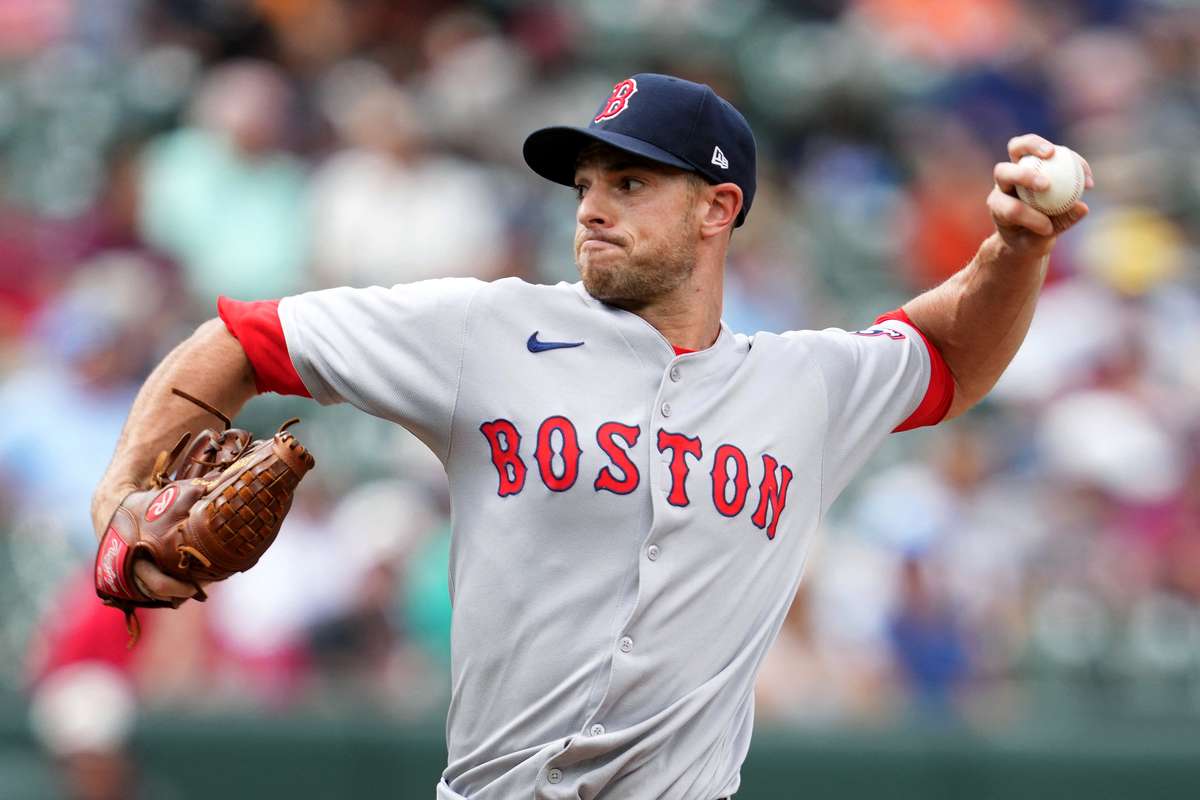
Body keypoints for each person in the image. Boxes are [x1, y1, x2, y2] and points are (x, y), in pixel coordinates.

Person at [91, 73, 1093, 799]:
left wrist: (1016, 245)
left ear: (719, 207)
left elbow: (949, 354)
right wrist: (121, 502)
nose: (593, 210)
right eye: (585, 185)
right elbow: (240, 340)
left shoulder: (805, 384)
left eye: (630, 183)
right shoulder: (484, 328)